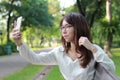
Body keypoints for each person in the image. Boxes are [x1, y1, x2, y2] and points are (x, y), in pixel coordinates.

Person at [11, 12, 115, 80]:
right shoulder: (59, 53)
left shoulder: (92, 50)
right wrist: (19, 43)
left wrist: (92, 48)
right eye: (62, 28)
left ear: (78, 27)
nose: (64, 31)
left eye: (68, 26)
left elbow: (110, 69)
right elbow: (34, 58)